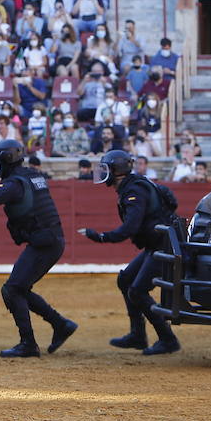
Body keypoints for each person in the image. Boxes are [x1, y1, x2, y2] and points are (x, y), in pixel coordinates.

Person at [0, 139, 78, 358]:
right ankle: (60, 324)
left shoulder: (13, 185)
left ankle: (29, 343)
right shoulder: (30, 175)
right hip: (49, 240)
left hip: (45, 243)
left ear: (6, 160)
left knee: (12, 289)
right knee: (19, 288)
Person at [77, 149, 181, 356]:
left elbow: (129, 228)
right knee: (125, 281)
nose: (103, 173)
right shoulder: (135, 184)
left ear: (117, 170)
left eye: (107, 169)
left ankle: (168, 339)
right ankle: (137, 335)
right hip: (159, 244)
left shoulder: (134, 190)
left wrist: (101, 237)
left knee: (137, 291)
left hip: (163, 246)